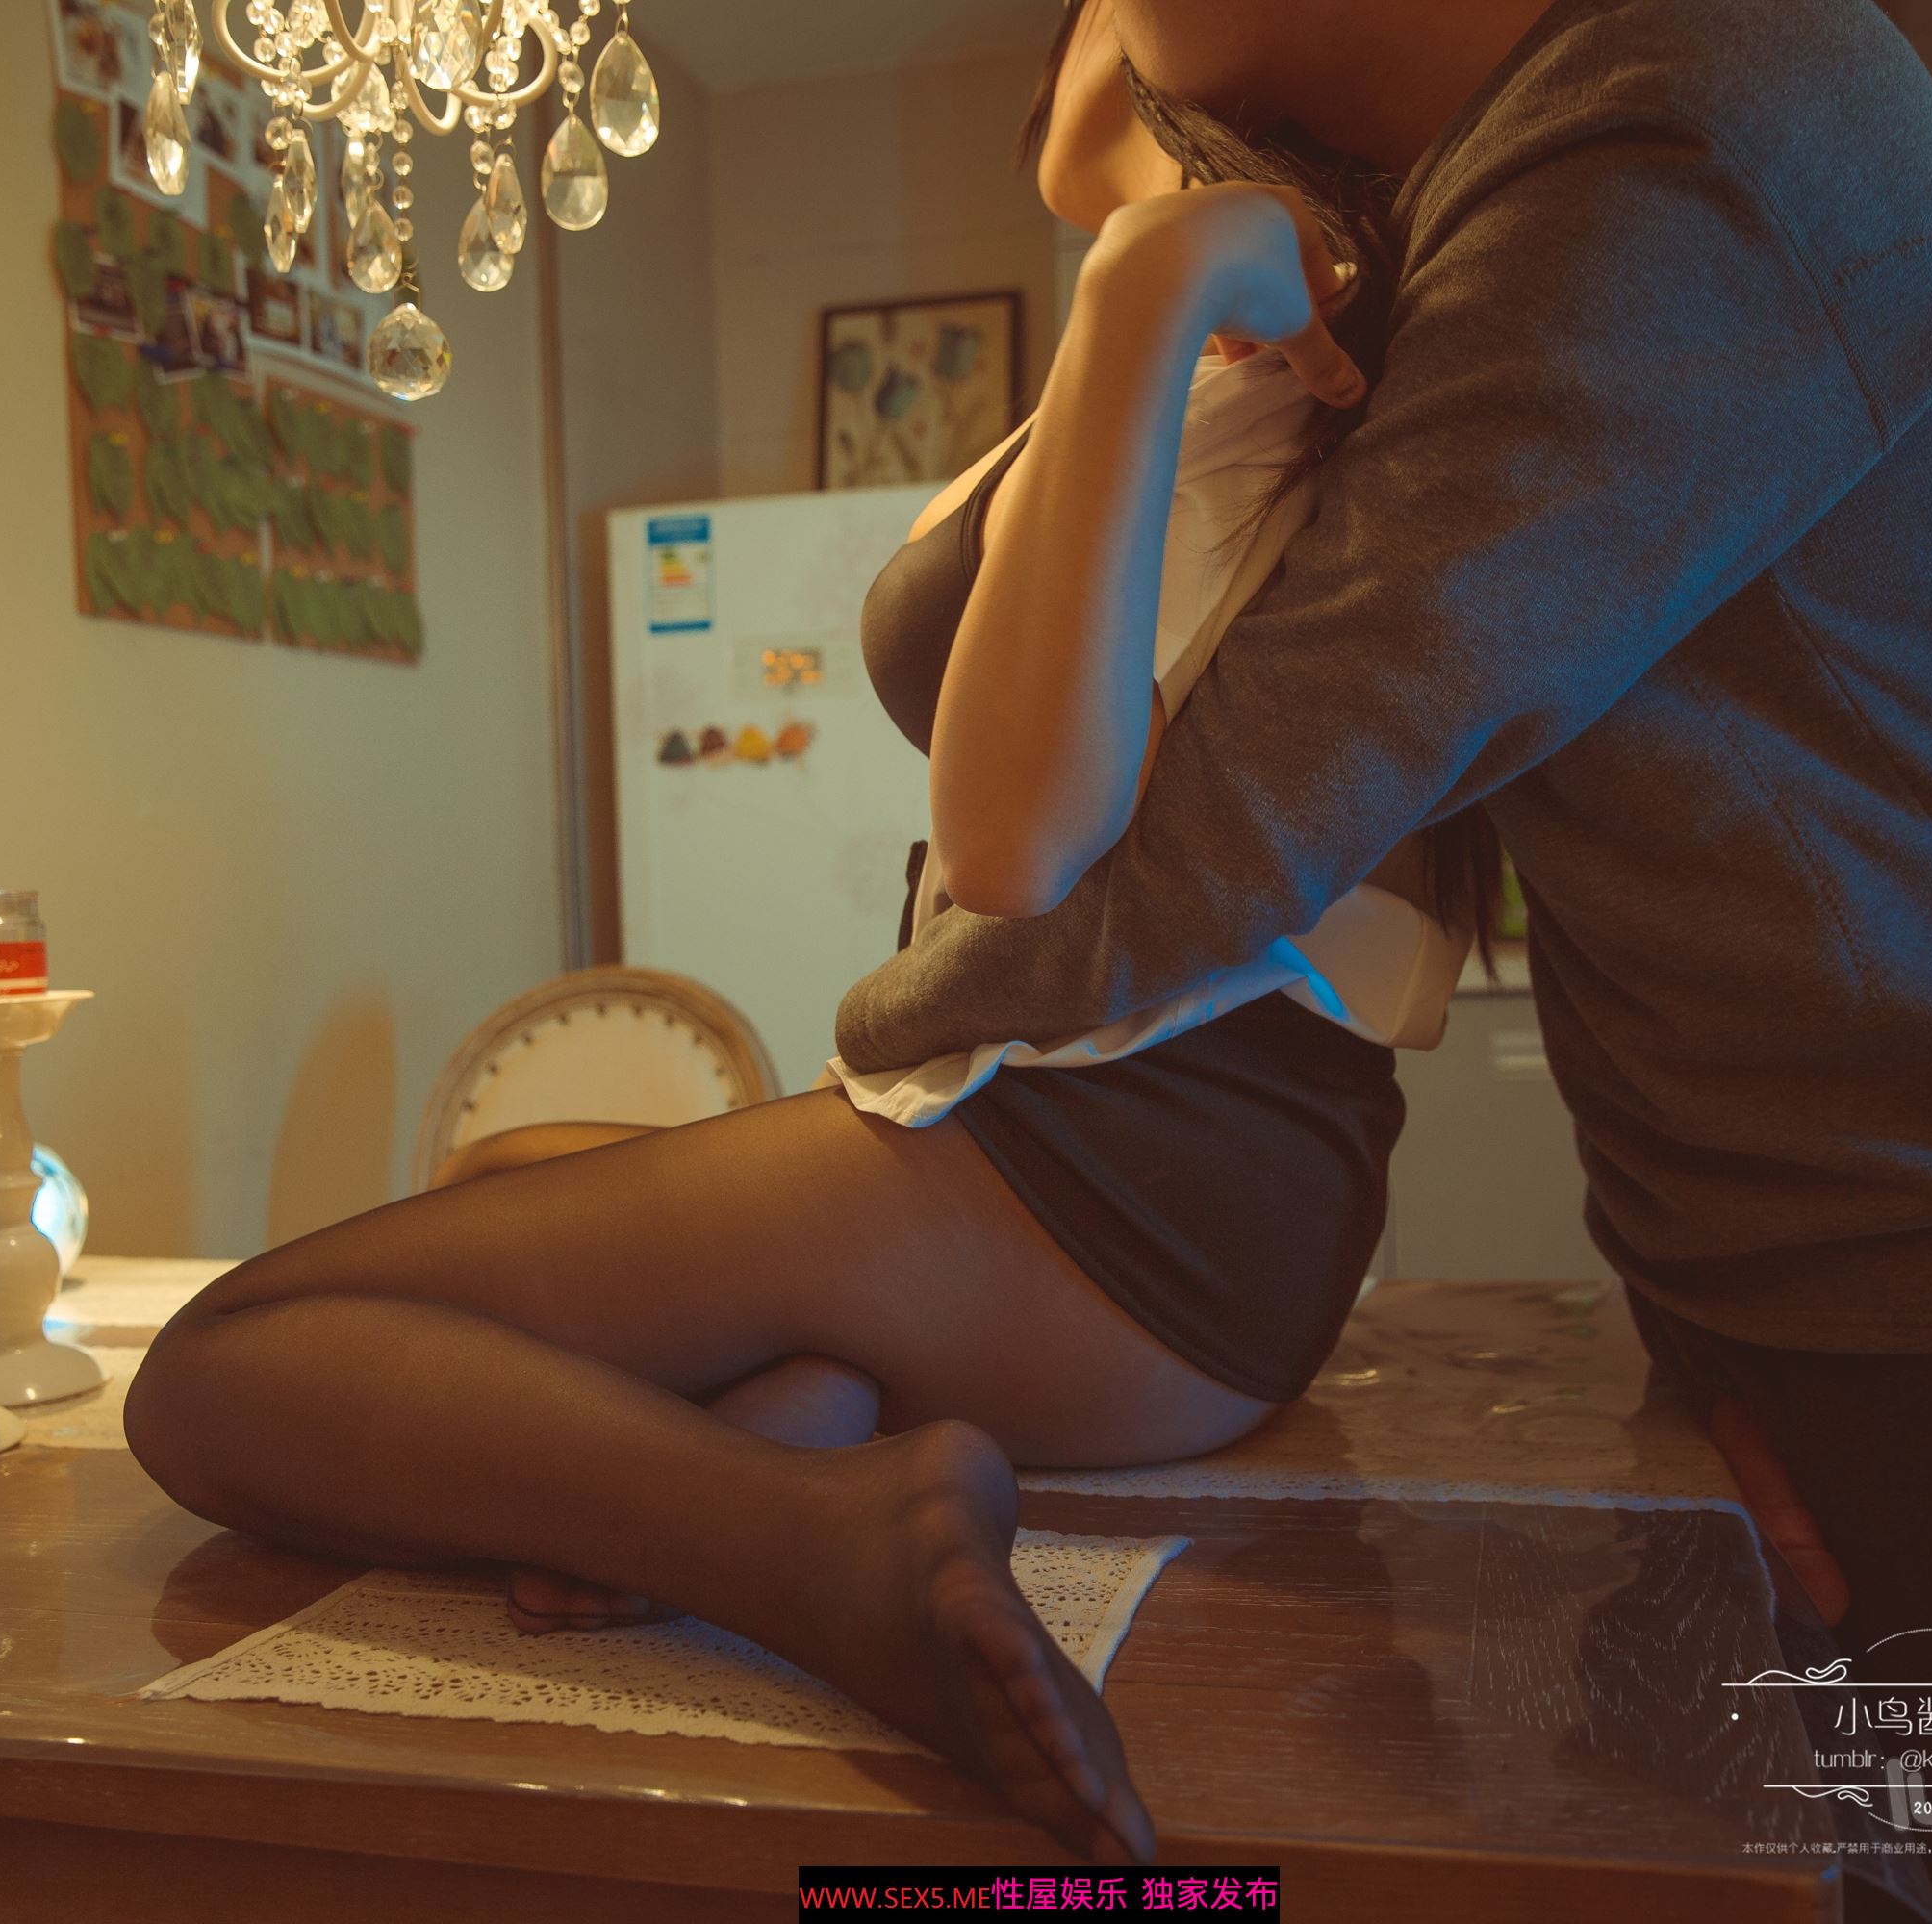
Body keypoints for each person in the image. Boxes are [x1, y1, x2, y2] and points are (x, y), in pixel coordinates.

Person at [826, 4, 1932, 1921]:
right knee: (1798, 1883)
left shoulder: (1676, 140)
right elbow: (1095, 133)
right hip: (1818, 1278)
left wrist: (879, 1058)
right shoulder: (1510, 170)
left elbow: (1203, 837)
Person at [129, 2, 1479, 1868]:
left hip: (1120, 1165)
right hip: (1177, 1174)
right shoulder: (1227, 308)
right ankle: (803, 1417)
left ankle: (816, 1544)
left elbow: (1012, 843)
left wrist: (1145, 292)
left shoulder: (1250, 304)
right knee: (516, 1175)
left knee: (221, 1370)